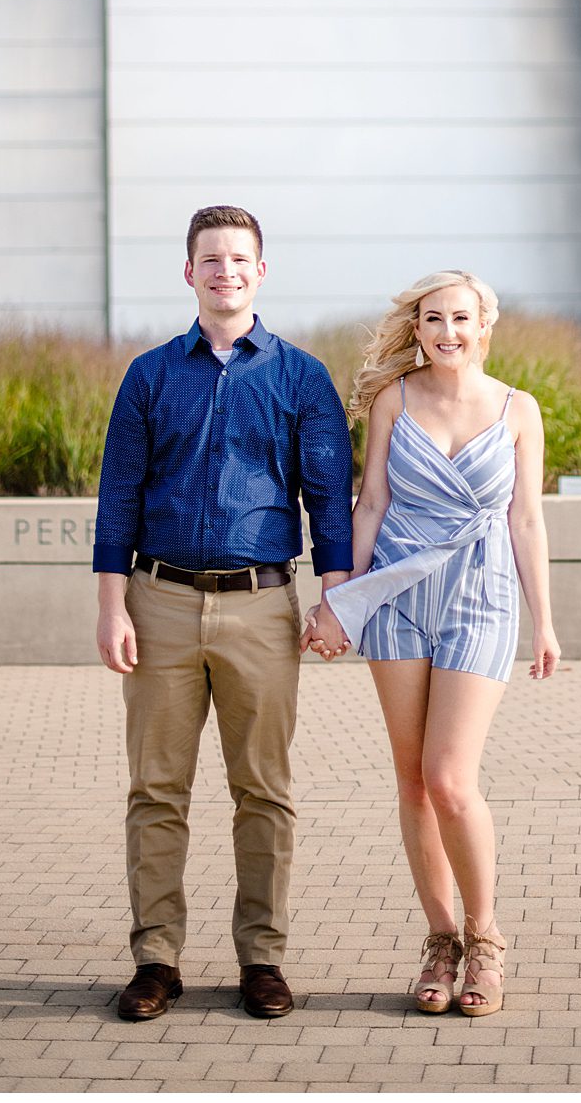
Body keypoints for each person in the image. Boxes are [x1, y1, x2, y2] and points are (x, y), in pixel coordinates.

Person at [93, 204, 354, 1023]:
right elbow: (117, 498)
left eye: (240, 259)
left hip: (262, 605)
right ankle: (156, 960)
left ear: (261, 272)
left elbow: (329, 504)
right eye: (211, 260)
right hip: (159, 600)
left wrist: (333, 602)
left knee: (264, 791)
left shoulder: (301, 377)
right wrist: (113, 607)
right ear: (189, 273)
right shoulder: (149, 375)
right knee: (157, 790)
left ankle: (262, 959)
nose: (226, 272)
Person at [300, 271, 558, 1018]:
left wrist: (544, 621)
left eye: (461, 319)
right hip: (398, 599)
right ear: (418, 329)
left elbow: (527, 521)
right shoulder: (394, 400)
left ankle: (486, 938)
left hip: (482, 598)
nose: (448, 331)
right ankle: (440, 940)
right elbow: (371, 501)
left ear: (486, 326)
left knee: (449, 778)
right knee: (412, 780)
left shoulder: (519, 410)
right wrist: (337, 603)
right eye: (434, 319)